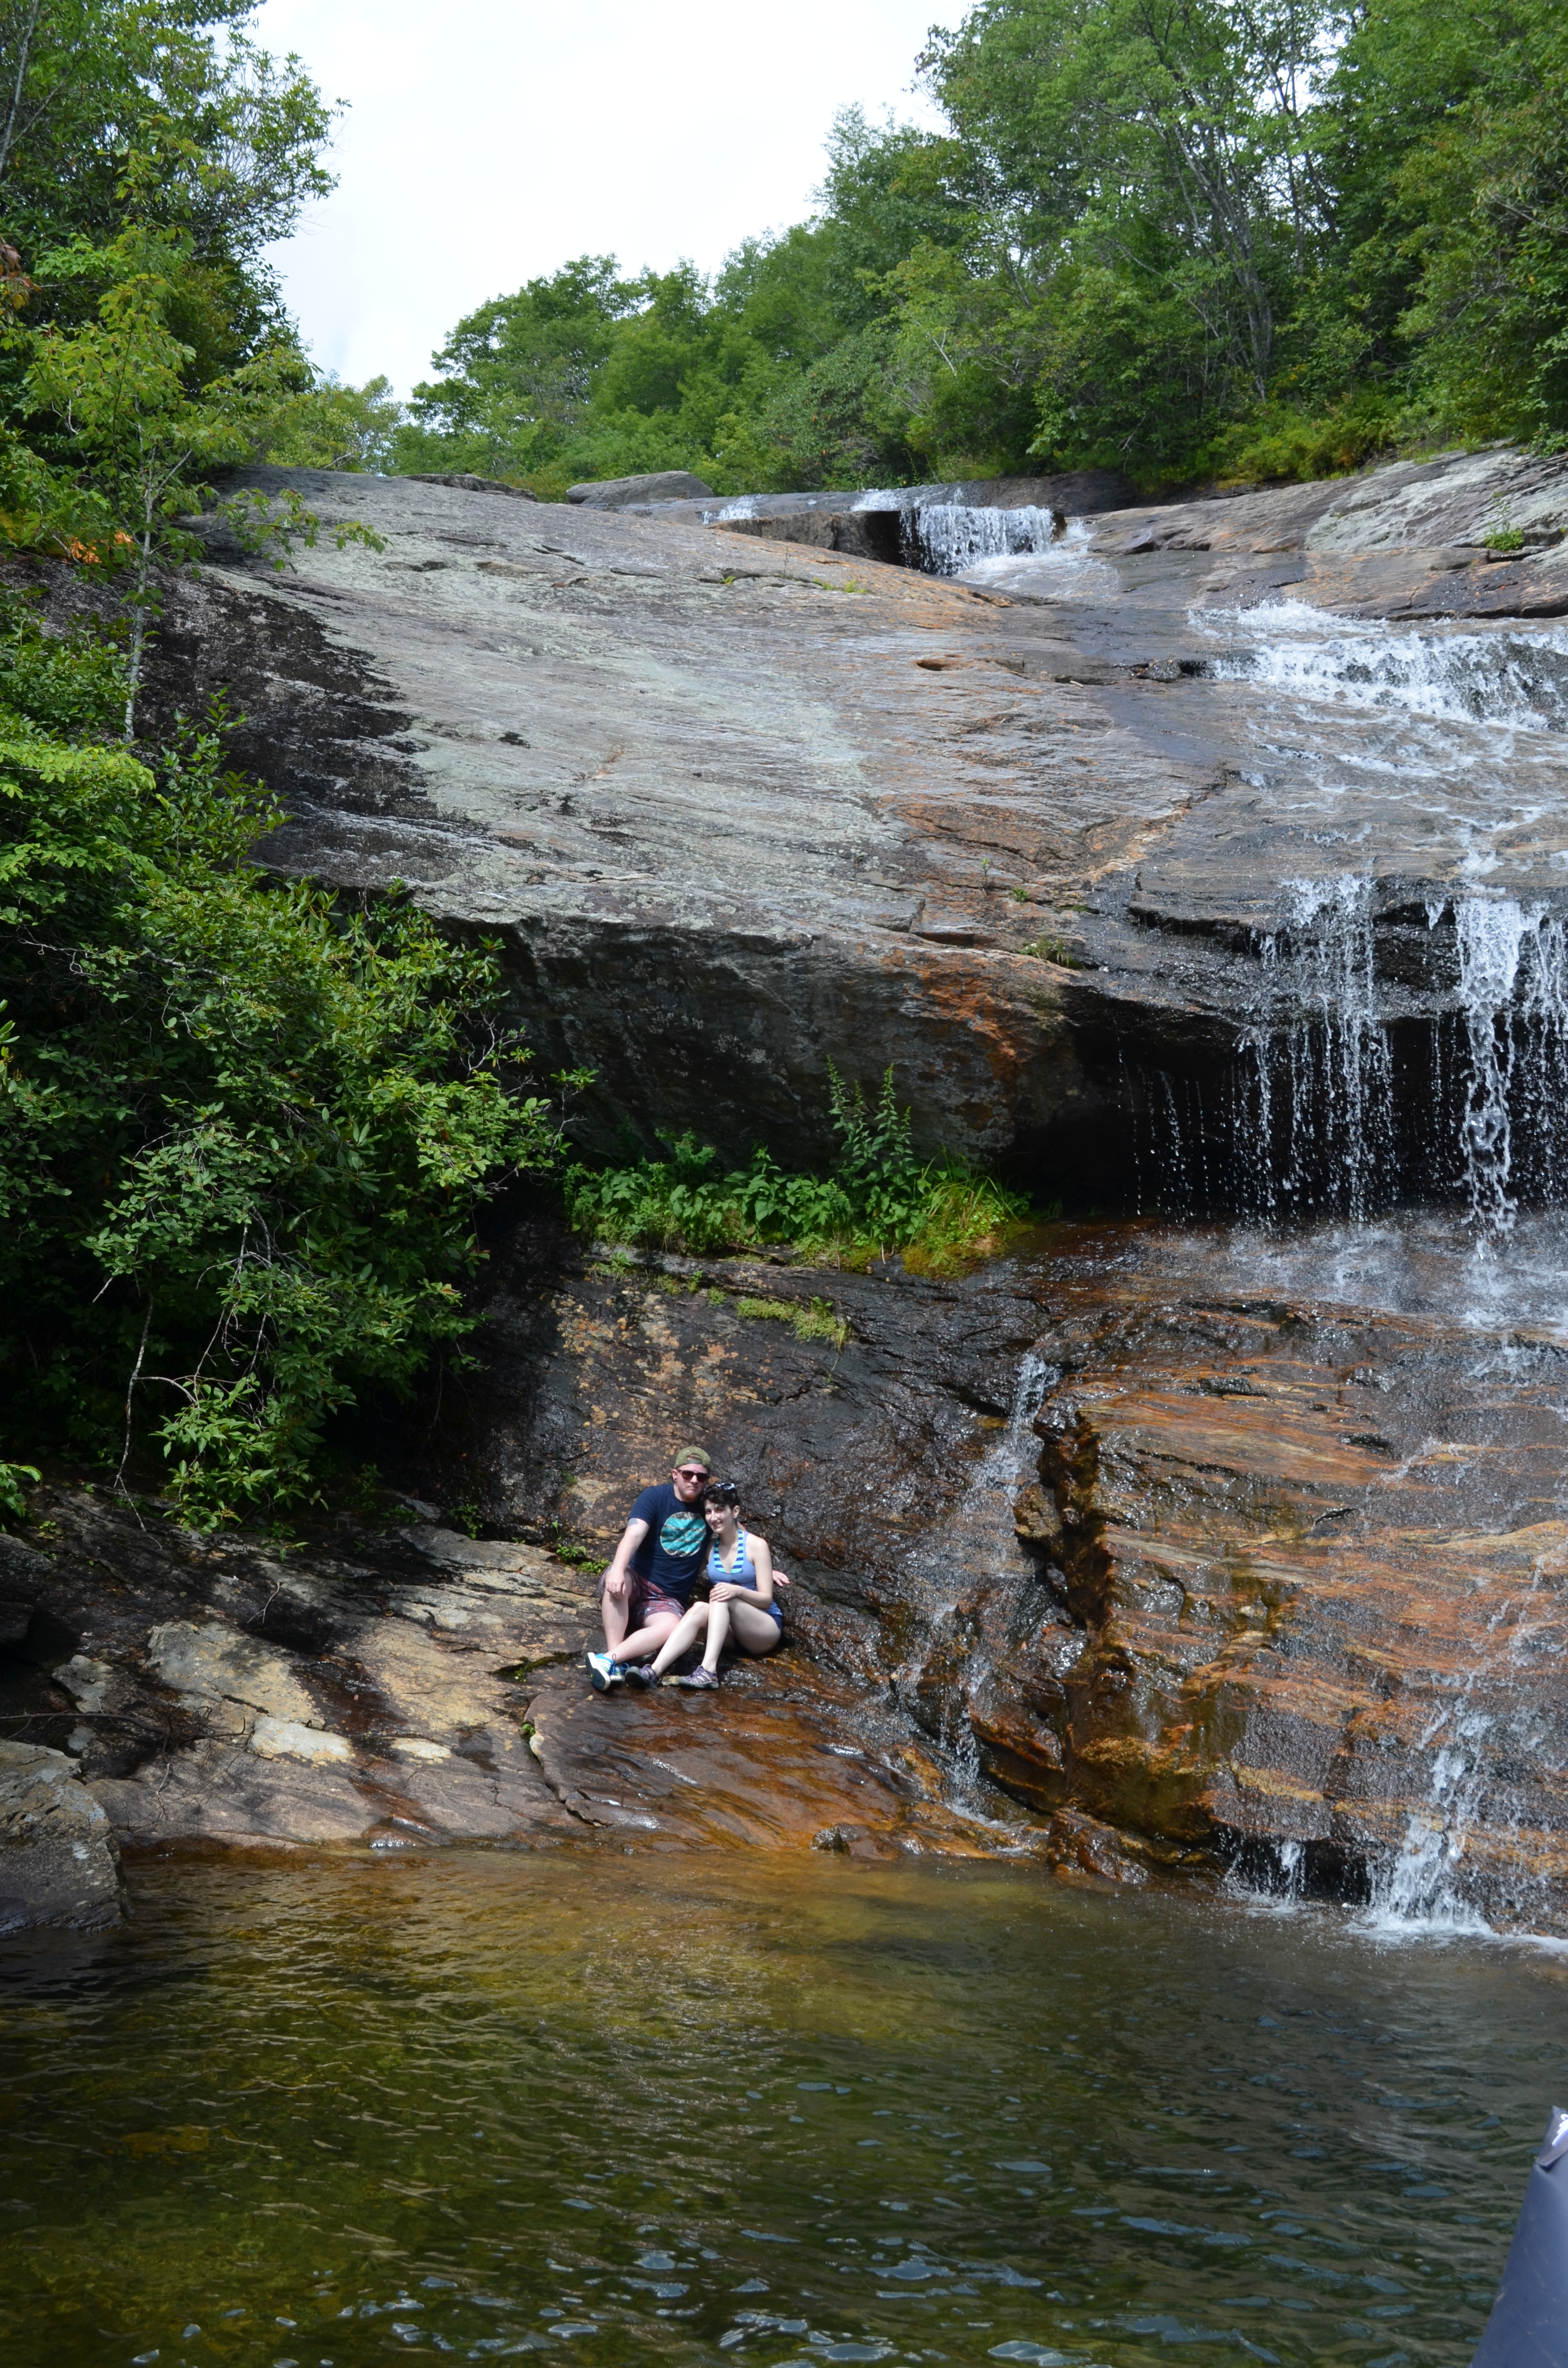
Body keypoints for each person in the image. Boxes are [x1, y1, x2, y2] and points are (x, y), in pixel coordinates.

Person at [627, 1479, 783, 1691]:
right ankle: (655, 1670)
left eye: (720, 1510)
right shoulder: (710, 1548)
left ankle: (708, 1671)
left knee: (721, 1596)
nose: (714, 1517)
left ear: (735, 1511)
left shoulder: (756, 1546)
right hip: (729, 1633)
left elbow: (766, 1600)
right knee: (700, 1607)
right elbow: (683, 1569)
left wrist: (737, 1590)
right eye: (709, 1512)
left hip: (763, 1631)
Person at [586, 1447, 714, 1692]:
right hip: (637, 1580)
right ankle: (616, 1658)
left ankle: (610, 1661)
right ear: (675, 1474)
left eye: (702, 1477)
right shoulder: (654, 1497)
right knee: (619, 1579)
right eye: (688, 1474)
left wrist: (761, 1566)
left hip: (667, 1599)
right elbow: (633, 1535)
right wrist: (617, 1570)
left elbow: (737, 1536)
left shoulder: (711, 1509)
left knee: (673, 1628)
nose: (695, 1480)